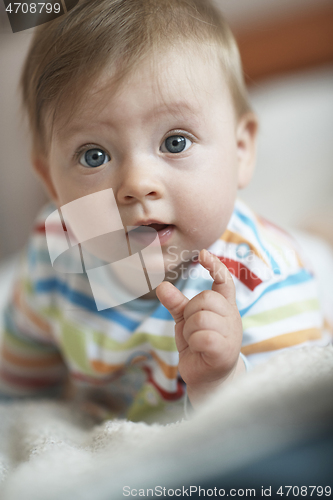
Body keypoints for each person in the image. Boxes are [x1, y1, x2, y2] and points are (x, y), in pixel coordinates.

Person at [0, 0, 328, 423]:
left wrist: (220, 381)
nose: (137, 184)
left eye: (175, 142)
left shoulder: (266, 280)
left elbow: (285, 425)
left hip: (310, 273)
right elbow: (20, 383)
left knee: (319, 249)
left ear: (241, 150)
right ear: (51, 183)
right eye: (94, 155)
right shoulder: (56, 250)